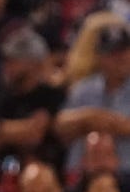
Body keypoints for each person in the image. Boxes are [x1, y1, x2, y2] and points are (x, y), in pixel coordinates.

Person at [0, 25, 65, 172]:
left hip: (38, 174)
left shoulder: (52, 96)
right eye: (6, 60)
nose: (7, 66)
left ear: (35, 64)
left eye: (14, 60)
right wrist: (15, 130)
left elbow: (33, 135)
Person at [55, 23, 130, 173]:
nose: (120, 58)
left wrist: (105, 122)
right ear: (100, 57)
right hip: (82, 175)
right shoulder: (84, 89)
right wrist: (90, 118)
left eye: (124, 51)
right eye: (112, 53)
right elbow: (60, 126)